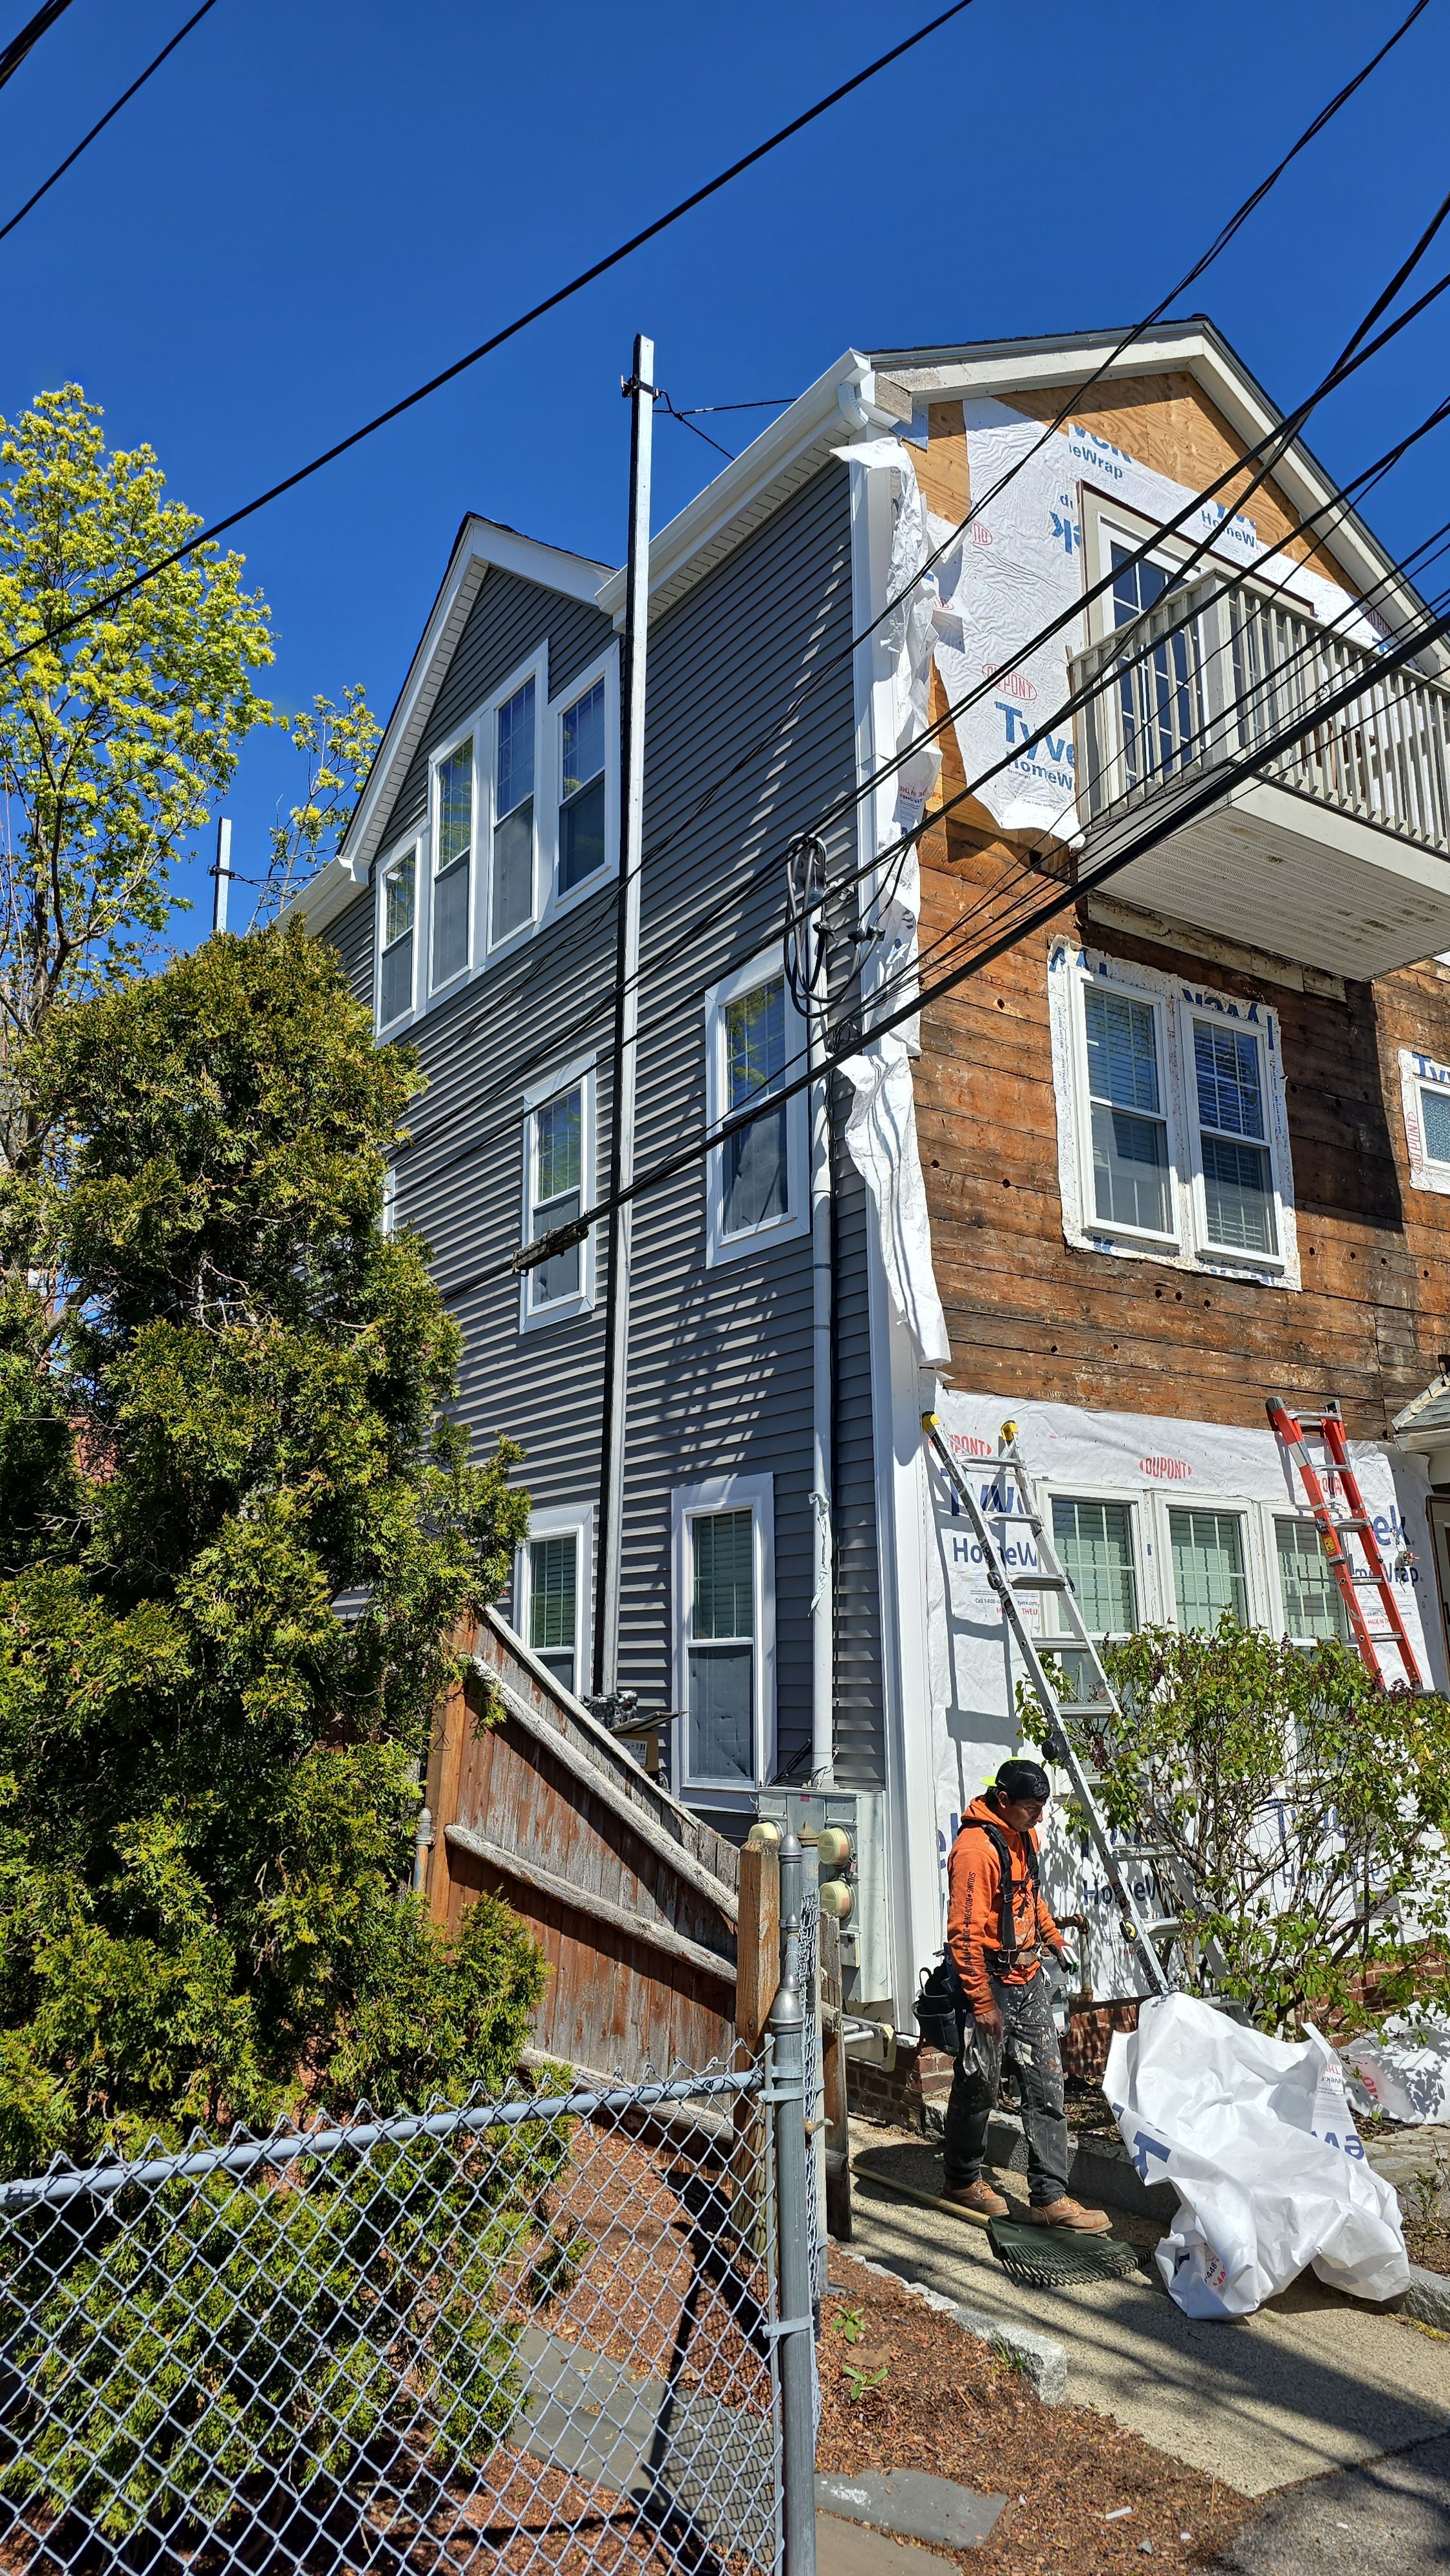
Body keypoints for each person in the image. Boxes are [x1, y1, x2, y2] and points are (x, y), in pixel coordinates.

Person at [943, 1757, 1111, 2233]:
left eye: (1042, 1808)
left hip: (1028, 1978)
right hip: (989, 1982)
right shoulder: (976, 1851)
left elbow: (1030, 1898)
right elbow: (963, 1935)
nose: (1039, 1817)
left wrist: (1053, 1938)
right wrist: (982, 2002)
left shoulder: (1024, 1837)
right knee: (979, 2084)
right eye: (1031, 1808)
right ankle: (962, 2180)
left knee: (1047, 2084)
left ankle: (1050, 2198)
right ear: (1003, 1801)